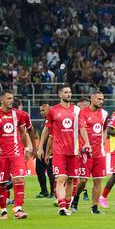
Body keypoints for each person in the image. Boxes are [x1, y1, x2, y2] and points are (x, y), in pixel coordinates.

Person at [37, 85, 91, 216]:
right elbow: (47, 129)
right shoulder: (53, 111)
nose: (69, 94)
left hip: (74, 151)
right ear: (60, 95)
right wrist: (40, 147)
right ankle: (61, 206)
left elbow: (82, 128)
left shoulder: (77, 111)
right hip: (59, 151)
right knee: (61, 178)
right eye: (66, 92)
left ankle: (66, 205)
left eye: (70, 92)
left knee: (71, 179)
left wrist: (87, 142)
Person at [0, 90, 33, 220]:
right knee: (1, 183)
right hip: (1, 155)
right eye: (8, 98)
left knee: (19, 179)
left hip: (16, 153)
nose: (11, 100)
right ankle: (3, 210)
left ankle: (18, 208)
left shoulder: (18, 115)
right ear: (1, 100)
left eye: (12, 98)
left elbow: (23, 133)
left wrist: (28, 147)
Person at [71, 92, 109, 214]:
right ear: (92, 99)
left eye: (102, 99)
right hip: (85, 152)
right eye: (99, 99)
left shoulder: (104, 114)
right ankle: (75, 199)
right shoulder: (82, 113)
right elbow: (80, 129)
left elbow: (104, 129)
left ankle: (94, 207)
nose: (101, 101)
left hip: (99, 153)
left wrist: (103, 140)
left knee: (98, 180)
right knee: (83, 181)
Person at [35, 104, 55, 198]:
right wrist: (39, 148)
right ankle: (44, 191)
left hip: (51, 150)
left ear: (49, 110)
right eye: (40, 111)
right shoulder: (43, 123)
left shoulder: (53, 122)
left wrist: (50, 150)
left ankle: (53, 192)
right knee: (39, 171)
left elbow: (54, 137)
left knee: (51, 172)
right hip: (42, 150)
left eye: (43, 110)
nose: (41, 112)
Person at [77, 96, 91, 200]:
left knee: (82, 173)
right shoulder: (75, 116)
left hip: (84, 149)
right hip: (73, 148)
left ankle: (84, 192)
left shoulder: (88, 117)